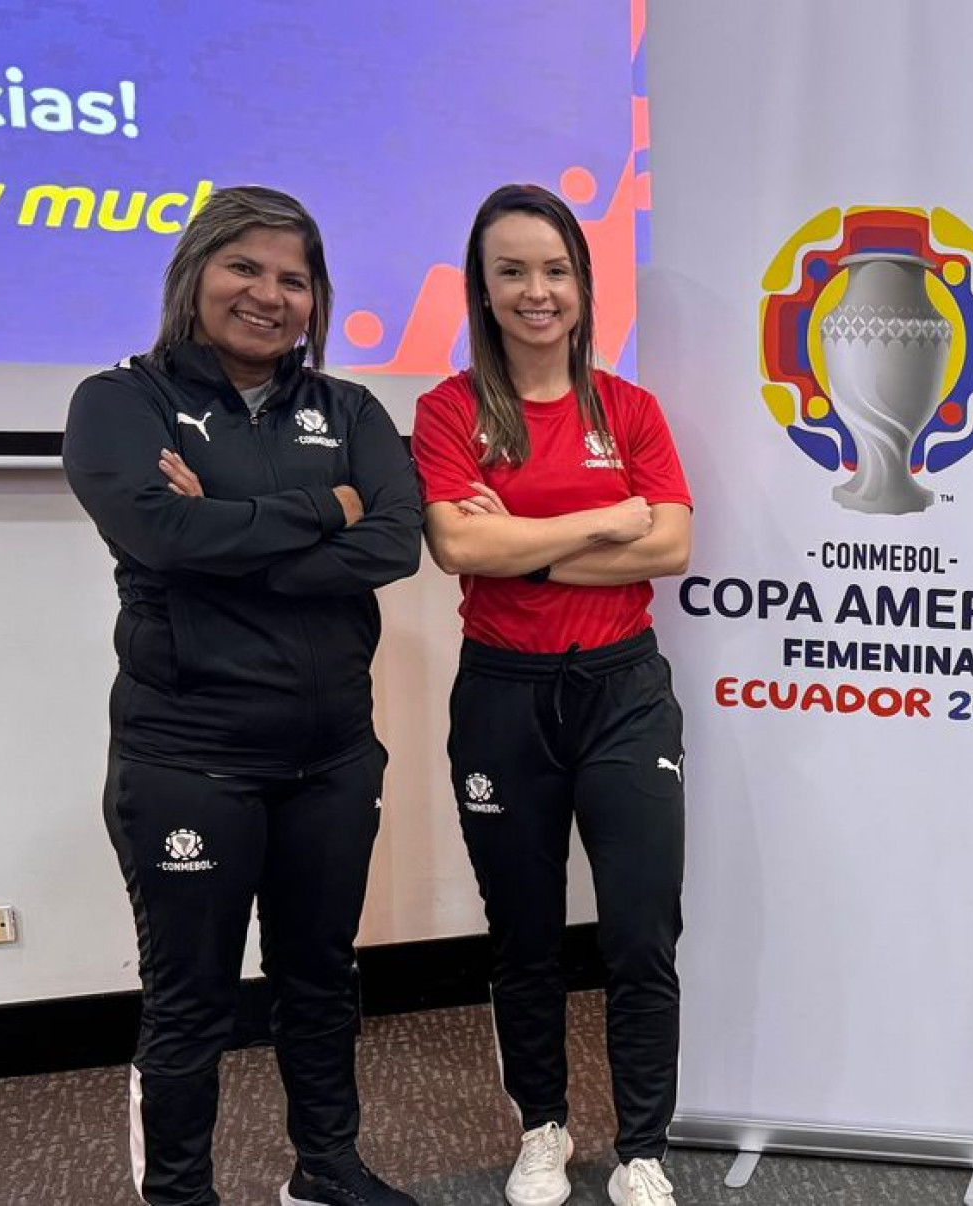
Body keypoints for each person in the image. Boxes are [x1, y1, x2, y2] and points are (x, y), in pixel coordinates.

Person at [62, 185, 425, 1206]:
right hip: (190, 758)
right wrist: (327, 506)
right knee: (191, 1000)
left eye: (293, 279)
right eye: (245, 268)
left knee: (322, 976)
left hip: (333, 757)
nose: (268, 294)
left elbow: (393, 543)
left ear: (316, 299)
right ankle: (181, 1195)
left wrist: (225, 531)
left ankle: (326, 1169)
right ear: (195, 275)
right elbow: (160, 534)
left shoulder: (350, 410)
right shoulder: (121, 402)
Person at [409, 184, 692, 1206]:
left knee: (640, 931)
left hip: (622, 690)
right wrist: (604, 521)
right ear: (483, 290)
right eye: (513, 271)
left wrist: (521, 546)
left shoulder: (631, 409)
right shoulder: (449, 411)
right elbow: (457, 545)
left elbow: (671, 543)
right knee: (522, 933)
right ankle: (543, 1128)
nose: (538, 291)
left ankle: (643, 1145)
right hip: (504, 696)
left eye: (556, 270)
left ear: (582, 284)